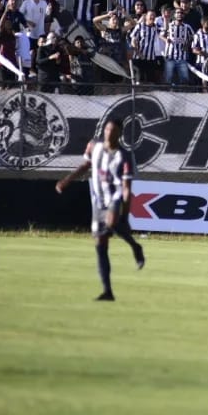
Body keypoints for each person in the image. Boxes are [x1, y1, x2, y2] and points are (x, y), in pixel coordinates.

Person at [55, 119, 145, 302]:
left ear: (120, 133)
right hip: (98, 201)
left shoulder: (124, 156)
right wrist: (67, 180)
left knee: (111, 223)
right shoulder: (93, 146)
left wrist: (126, 215)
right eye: (107, 129)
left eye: (113, 130)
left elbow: (127, 187)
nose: (109, 133)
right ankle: (108, 290)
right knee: (101, 245)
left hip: (115, 196)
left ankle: (133, 244)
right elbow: (85, 166)